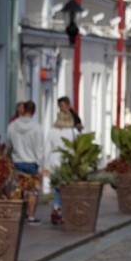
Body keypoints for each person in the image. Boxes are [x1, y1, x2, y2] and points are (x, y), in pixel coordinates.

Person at [5, 100, 45, 224]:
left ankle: (18, 215)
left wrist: (7, 156)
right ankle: (31, 216)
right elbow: (39, 148)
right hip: (32, 163)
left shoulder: (12, 126)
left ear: (23, 110)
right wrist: (40, 165)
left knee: (17, 189)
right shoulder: (37, 128)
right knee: (33, 191)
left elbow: (8, 144)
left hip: (17, 161)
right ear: (33, 111)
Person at [46, 97, 83, 226]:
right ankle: (62, 212)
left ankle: (56, 207)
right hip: (68, 163)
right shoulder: (74, 132)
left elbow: (47, 149)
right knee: (67, 189)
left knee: (58, 187)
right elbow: (79, 149)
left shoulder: (51, 132)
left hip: (54, 163)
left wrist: (45, 165)